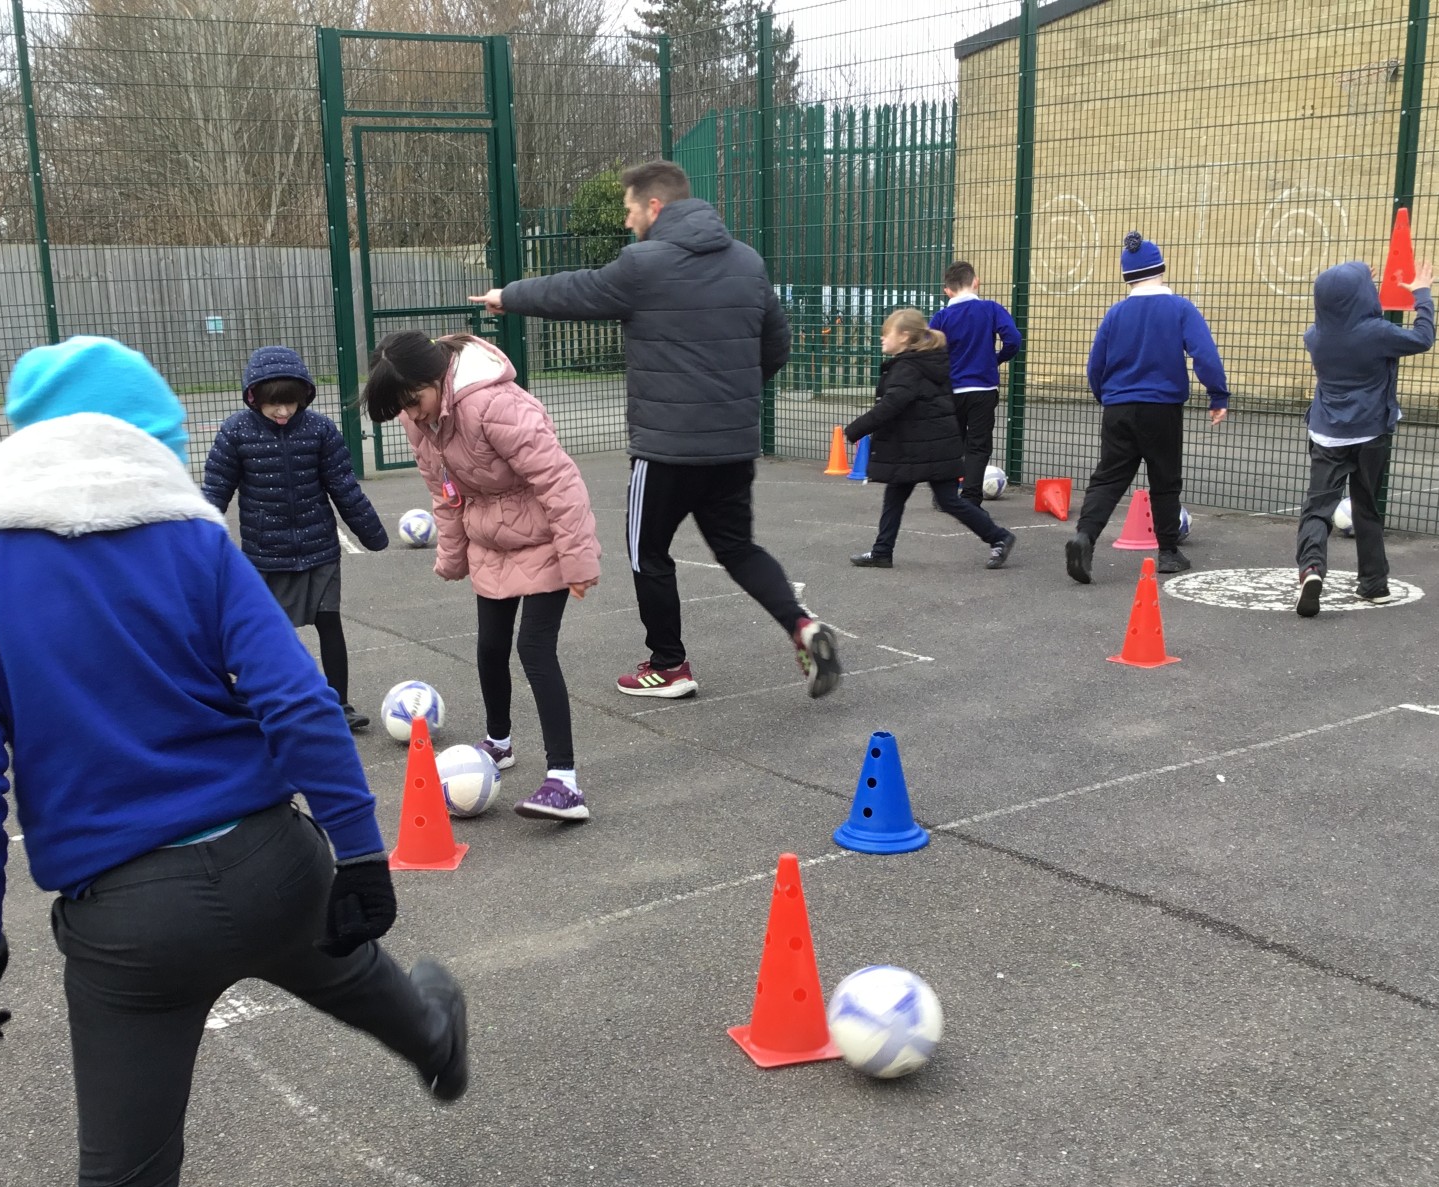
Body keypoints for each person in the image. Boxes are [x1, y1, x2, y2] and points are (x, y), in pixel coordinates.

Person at [0, 335, 468, 1187]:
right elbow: (299, 702)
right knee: (342, 959)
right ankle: (436, 1041)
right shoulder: (192, 545)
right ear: (146, 438)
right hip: (269, 860)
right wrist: (359, 854)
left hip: (126, 926)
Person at [471, 160, 841, 700]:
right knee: (739, 549)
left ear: (654, 207)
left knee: (649, 554)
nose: (626, 222)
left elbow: (576, 291)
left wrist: (509, 295)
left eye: (628, 210)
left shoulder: (644, 264)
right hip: (732, 446)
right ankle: (801, 626)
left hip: (665, 450)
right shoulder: (747, 262)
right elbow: (776, 346)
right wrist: (730, 394)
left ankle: (669, 665)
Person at [364, 329, 601, 821]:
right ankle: (499, 743)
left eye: (414, 401)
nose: (412, 415)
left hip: (546, 539)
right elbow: (446, 494)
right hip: (492, 541)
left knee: (534, 649)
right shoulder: (422, 423)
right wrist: (453, 557)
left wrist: (578, 560)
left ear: (437, 377)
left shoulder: (492, 404)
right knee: (490, 646)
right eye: (402, 409)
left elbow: (558, 479)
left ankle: (564, 781)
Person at [202, 346, 389, 730]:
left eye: (290, 403)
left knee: (329, 623)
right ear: (253, 397)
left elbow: (343, 487)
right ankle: (272, 701)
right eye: (274, 405)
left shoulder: (320, 430)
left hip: (319, 549)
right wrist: (196, 542)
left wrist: (373, 534)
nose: (283, 412)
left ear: (305, 396)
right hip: (266, 552)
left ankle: (340, 704)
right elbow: (215, 490)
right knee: (270, 635)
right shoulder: (236, 432)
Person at [1064, 233, 1229, 584]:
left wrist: (1104, 396)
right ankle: (1168, 551)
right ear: (1162, 269)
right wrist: (1218, 395)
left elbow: (1096, 364)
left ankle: (1085, 536)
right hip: (1162, 407)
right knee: (1164, 479)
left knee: (1108, 477)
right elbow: (1205, 355)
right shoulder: (1181, 308)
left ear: (1127, 275)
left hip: (1118, 406)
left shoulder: (1116, 313)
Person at [1293, 257, 1437, 617]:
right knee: (1367, 507)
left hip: (1328, 434)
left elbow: (1340, 304)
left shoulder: (1315, 337)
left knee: (1317, 509)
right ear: (1361, 295)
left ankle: (1312, 570)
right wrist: (1421, 293)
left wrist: (1353, 281)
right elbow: (1423, 337)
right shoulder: (1379, 334)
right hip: (1371, 431)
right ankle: (1374, 585)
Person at [846, 309, 1015, 571]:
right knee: (897, 495)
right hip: (923, 445)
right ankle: (882, 551)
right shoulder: (924, 361)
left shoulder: (908, 367)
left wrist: (856, 428)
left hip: (928, 447)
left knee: (948, 500)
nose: (882, 339)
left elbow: (892, 405)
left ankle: (1000, 536)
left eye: (886, 334)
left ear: (903, 337)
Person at [928, 261, 1022, 503]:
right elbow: (1013, 338)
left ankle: (944, 496)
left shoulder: (941, 317)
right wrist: (997, 359)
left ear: (947, 290)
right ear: (976, 282)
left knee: (951, 443)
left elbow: (928, 351)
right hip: (983, 388)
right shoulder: (991, 309)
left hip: (951, 390)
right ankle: (971, 497)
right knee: (978, 445)